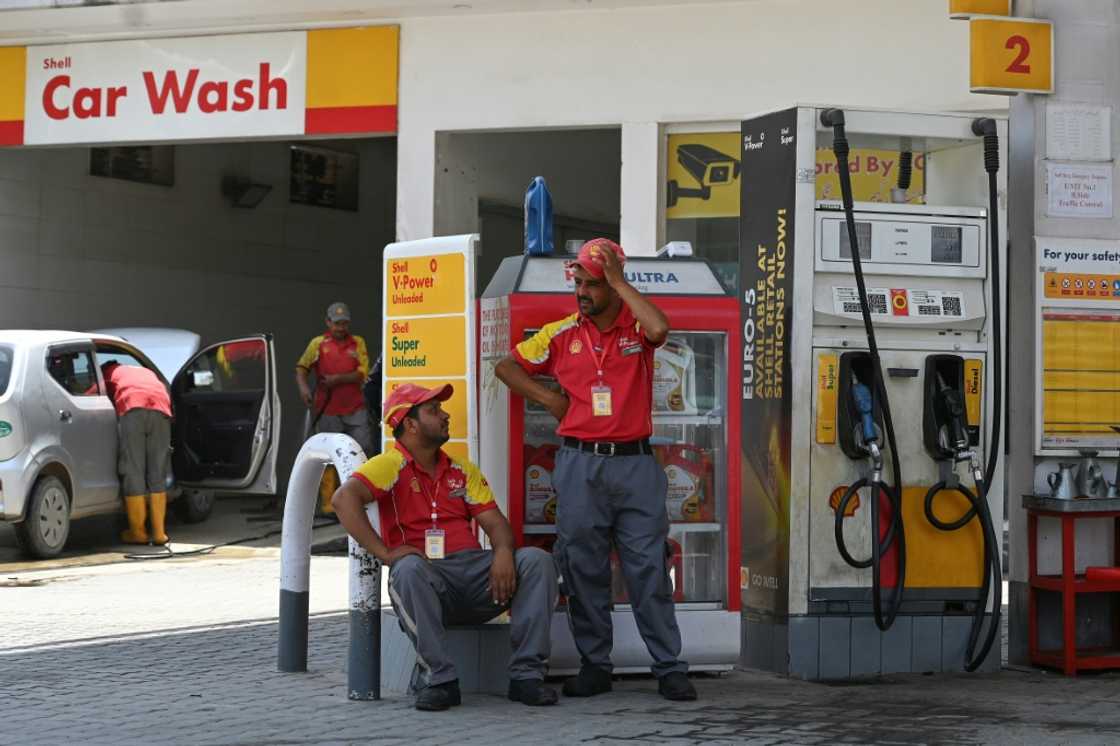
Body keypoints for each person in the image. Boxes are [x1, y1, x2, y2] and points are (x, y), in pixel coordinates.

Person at [495, 238, 697, 702]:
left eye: (591, 283)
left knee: (648, 568)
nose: (582, 292)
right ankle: (595, 666)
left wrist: (620, 282)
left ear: (612, 283)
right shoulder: (563, 331)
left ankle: (669, 667)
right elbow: (507, 366)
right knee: (583, 568)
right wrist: (548, 399)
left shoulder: (635, 328)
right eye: (579, 283)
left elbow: (661, 327)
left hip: (635, 463)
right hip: (579, 463)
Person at [330, 383, 559, 711]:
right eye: (434, 410)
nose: (445, 415)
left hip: (478, 577)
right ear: (409, 424)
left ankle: (527, 678)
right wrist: (385, 553)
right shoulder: (390, 465)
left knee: (536, 561)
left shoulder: (461, 469)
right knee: (406, 569)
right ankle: (440, 680)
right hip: (429, 579)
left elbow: (496, 525)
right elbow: (343, 500)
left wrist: (504, 552)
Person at [100, 360, 173, 546]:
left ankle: (138, 533)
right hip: (161, 408)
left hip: (133, 408)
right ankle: (159, 533)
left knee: (134, 469)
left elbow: (92, 393)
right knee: (157, 470)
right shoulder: (143, 371)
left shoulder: (108, 374)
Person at [295, 302, 373, 454]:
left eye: (345, 323)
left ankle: (358, 478)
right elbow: (301, 368)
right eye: (337, 323)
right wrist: (303, 388)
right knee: (332, 453)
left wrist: (337, 379)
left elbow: (363, 373)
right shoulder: (318, 343)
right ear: (328, 322)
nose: (341, 328)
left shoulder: (358, 342)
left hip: (356, 409)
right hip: (328, 410)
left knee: (362, 449)